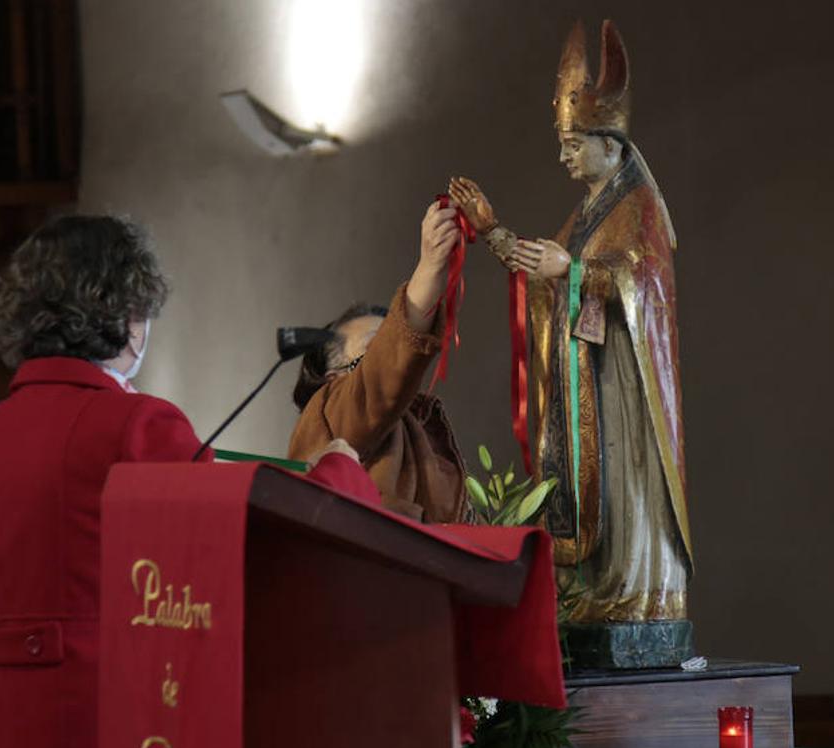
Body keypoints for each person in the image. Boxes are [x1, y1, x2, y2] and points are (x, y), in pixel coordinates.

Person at [0, 215, 370, 748]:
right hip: (93, 726)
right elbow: (244, 537)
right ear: (128, 313)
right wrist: (339, 472)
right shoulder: (134, 424)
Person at [449, 20, 693, 627]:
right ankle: (592, 591)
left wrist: (577, 270)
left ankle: (633, 592)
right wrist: (492, 231)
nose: (563, 156)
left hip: (625, 393)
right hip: (589, 383)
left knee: (625, 493)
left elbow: (644, 284)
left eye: (573, 144)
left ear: (609, 143)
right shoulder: (587, 212)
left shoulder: (637, 207)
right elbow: (545, 272)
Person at [288, 202, 473, 523]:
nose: (387, 355)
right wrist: (430, 267)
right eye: (372, 350)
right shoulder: (330, 411)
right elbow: (382, 374)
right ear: (333, 378)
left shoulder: (415, 428)